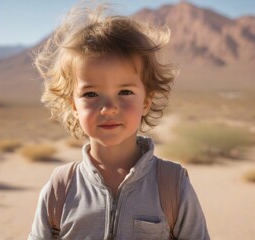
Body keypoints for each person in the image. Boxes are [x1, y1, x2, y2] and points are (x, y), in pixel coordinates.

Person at [28, 2, 210, 240]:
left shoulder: (172, 185)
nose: (109, 108)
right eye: (91, 94)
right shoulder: (60, 188)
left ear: (147, 100)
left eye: (125, 92)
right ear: (73, 105)